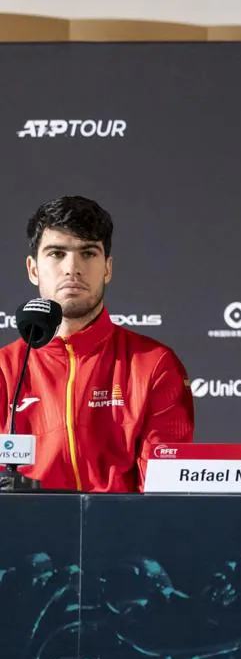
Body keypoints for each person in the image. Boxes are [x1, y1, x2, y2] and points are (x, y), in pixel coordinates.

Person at [0, 196, 194, 492]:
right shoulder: (5, 369)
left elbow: (163, 494)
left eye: (88, 253)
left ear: (107, 268)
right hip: (25, 535)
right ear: (33, 269)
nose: (72, 268)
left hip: (122, 535)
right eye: (56, 253)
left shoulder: (153, 364)